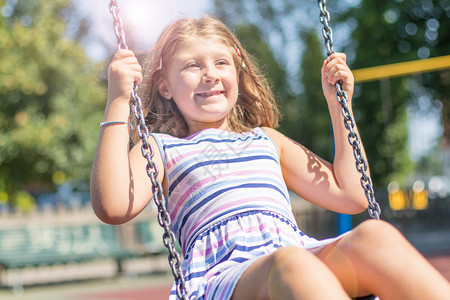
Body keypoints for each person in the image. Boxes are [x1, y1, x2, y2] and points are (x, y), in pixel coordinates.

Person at [90, 15, 450, 300]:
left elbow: (352, 196)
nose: (210, 74)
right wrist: (119, 100)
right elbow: (113, 205)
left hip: (293, 253)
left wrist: (339, 105)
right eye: (192, 66)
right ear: (164, 85)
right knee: (291, 264)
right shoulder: (161, 148)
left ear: (238, 70)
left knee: (375, 236)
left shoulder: (267, 141)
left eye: (221, 62)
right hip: (226, 276)